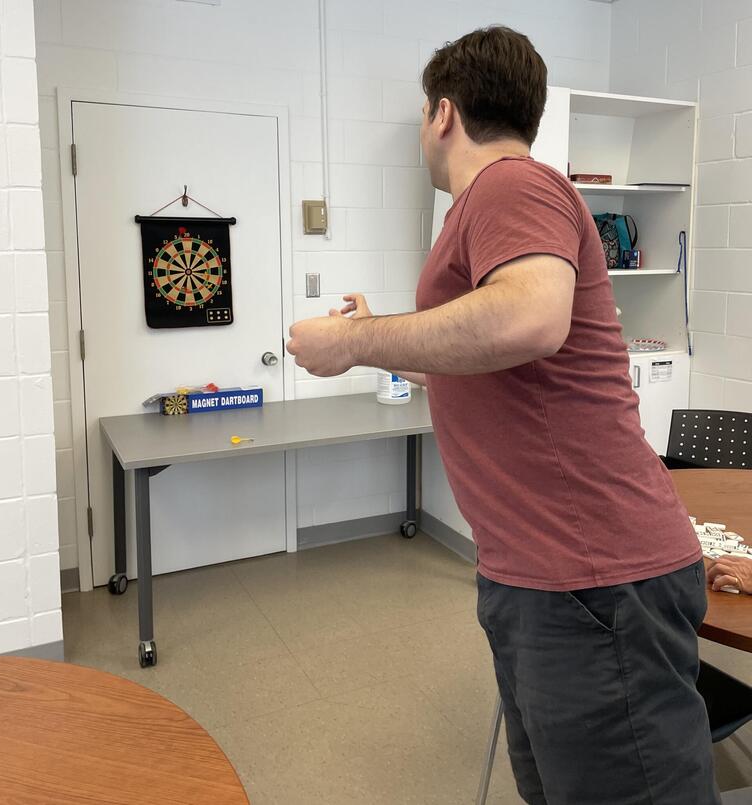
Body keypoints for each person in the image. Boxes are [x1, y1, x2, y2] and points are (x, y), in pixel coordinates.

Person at [286, 25, 718, 805]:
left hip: (594, 579)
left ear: (442, 114)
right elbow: (481, 361)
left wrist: (351, 342)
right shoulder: (482, 208)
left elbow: (528, 321)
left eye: (424, 113)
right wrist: (380, 338)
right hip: (546, 577)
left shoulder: (512, 185)